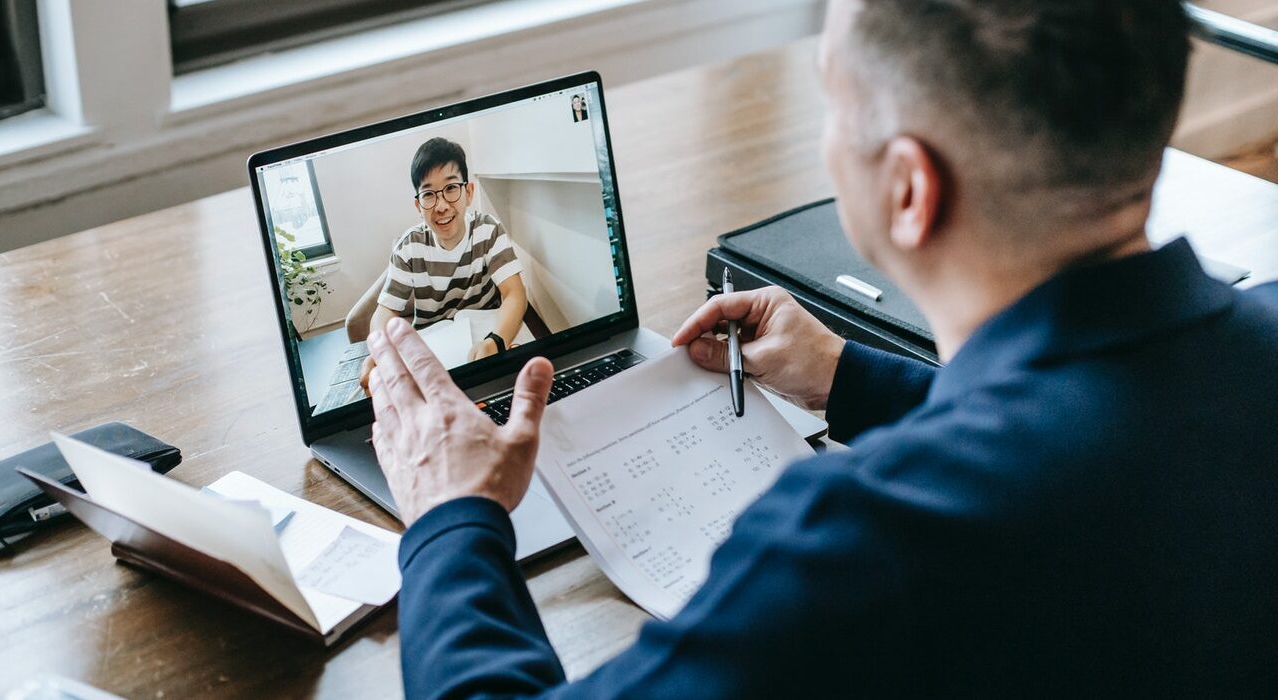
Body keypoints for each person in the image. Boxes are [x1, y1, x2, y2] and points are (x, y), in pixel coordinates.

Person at [365, 0, 1278, 697]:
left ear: (909, 189)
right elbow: (1108, 426)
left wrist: (451, 516)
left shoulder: (860, 547)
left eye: (833, 102)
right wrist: (850, 379)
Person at [359, 137, 527, 390]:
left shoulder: (488, 229)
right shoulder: (408, 247)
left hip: (486, 343)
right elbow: (385, 311)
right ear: (418, 205)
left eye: (451, 189)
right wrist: (381, 350)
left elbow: (514, 293)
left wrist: (497, 341)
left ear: (468, 192)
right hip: (432, 357)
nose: (441, 206)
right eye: (428, 194)